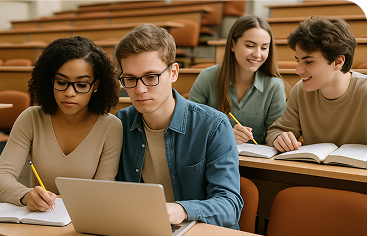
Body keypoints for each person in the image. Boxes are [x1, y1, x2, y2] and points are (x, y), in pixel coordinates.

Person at [114, 23, 243, 229]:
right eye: (130, 78)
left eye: (151, 77)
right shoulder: (121, 121)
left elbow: (230, 205)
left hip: (199, 231)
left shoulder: (214, 125)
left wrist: (182, 210)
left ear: (173, 72)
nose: (139, 89)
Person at [0, 36, 123, 212]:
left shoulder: (111, 127)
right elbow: (2, 175)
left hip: (86, 218)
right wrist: (25, 195)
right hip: (37, 220)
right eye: (61, 82)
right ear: (50, 81)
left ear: (96, 85)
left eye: (81, 84)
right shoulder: (31, 118)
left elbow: (103, 189)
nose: (69, 93)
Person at [266, 16, 367, 152]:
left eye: (308, 62)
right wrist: (279, 138)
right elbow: (277, 130)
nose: (298, 70)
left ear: (338, 62)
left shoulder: (364, 91)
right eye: (298, 61)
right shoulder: (301, 90)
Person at [189, 15, 287, 145]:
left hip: (257, 163)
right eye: (250, 45)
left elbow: (274, 132)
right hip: (214, 160)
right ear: (232, 45)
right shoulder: (207, 77)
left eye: (264, 48)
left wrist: (279, 139)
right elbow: (190, 124)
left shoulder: (275, 86)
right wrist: (223, 134)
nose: (258, 54)